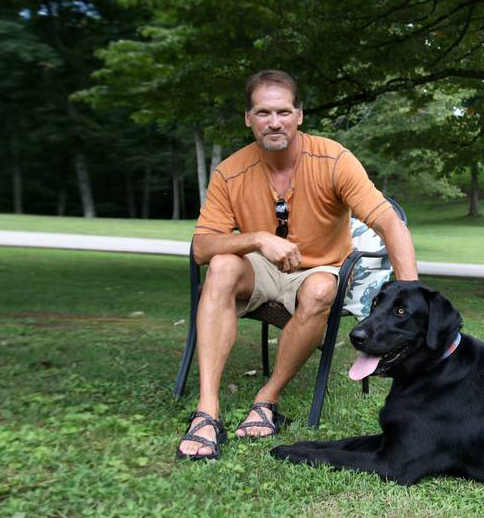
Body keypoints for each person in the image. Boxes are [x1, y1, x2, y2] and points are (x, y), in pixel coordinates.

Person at [176, 70, 418, 460]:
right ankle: (207, 411)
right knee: (220, 266)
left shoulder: (334, 158)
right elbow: (202, 246)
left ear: (300, 115)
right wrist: (257, 239)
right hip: (260, 268)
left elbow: (388, 220)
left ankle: (267, 400)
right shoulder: (230, 172)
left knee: (322, 288)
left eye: (284, 111)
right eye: (263, 112)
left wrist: (411, 294)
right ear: (248, 118)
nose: (274, 122)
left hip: (319, 269)